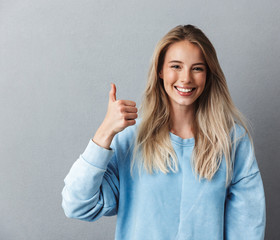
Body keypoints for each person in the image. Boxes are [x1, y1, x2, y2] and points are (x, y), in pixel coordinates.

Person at [62, 24, 266, 240]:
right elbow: (76, 205)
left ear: (208, 75)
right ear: (160, 70)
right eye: (176, 66)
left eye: (197, 68)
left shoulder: (232, 141)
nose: (186, 78)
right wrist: (104, 133)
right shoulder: (131, 139)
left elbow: (248, 227)